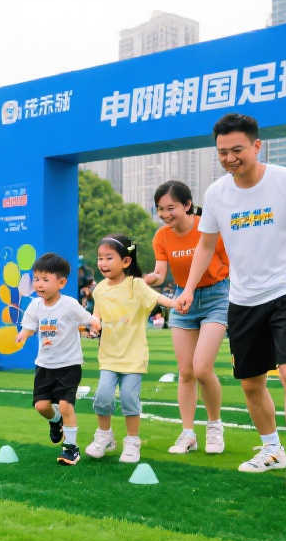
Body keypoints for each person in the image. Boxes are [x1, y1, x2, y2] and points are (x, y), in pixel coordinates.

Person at [175, 113, 286, 491]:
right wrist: (188, 288)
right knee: (251, 383)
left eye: (237, 150)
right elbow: (206, 245)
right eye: (222, 152)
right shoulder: (216, 194)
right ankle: (272, 450)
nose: (229, 158)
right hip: (242, 300)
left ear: (257, 146)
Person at [144, 180, 229, 455]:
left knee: (202, 368)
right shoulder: (161, 236)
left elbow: (230, 264)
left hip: (217, 297)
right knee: (186, 372)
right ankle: (188, 433)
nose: (165, 214)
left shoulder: (209, 227)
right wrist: (145, 279)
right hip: (182, 301)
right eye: (160, 209)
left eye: (171, 208)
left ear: (187, 205)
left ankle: (214, 426)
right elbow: (160, 274)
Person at [84, 235, 175, 463]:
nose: (103, 263)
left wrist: (176, 303)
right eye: (100, 258)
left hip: (134, 356)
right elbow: (97, 315)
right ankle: (104, 436)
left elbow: (158, 298)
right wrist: (93, 324)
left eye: (109, 258)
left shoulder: (136, 285)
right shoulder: (99, 290)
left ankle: (132, 441)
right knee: (102, 397)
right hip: (108, 356)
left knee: (128, 398)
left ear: (125, 261)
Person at [15, 252, 100, 466]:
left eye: (45, 279)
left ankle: (71, 448)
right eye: (36, 279)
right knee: (41, 406)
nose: (39, 284)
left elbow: (88, 319)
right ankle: (55, 421)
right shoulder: (35, 305)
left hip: (69, 365)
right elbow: (29, 326)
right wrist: (23, 335)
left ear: (61, 282)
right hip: (44, 366)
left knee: (65, 405)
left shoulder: (69, 304)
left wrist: (95, 324)